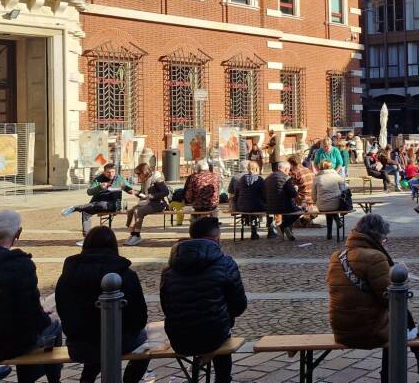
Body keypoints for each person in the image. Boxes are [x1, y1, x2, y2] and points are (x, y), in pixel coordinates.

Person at [327, 215, 419, 383]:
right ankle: (389, 375)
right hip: (365, 332)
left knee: (397, 318)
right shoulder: (375, 257)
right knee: (397, 319)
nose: (383, 241)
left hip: (341, 329)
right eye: (383, 238)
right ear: (377, 236)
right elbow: (389, 300)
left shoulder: (337, 256)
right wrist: (401, 281)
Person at [55, 227, 149, 383]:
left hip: (79, 345)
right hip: (119, 342)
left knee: (97, 341)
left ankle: (87, 379)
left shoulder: (68, 274)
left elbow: (63, 309)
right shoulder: (125, 274)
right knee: (145, 339)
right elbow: (140, 317)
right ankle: (130, 380)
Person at [160, 218, 246, 383]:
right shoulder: (225, 263)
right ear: (216, 239)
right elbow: (239, 306)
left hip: (179, 337)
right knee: (222, 326)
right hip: (214, 335)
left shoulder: (169, 269)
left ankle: (202, 366)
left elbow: (166, 306)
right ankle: (223, 379)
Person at [0, 210, 62, 383]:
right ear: (18, 233)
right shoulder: (19, 265)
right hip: (6, 344)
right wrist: (46, 317)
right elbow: (30, 314)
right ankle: (50, 380)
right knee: (53, 327)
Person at [62, 163, 132, 235]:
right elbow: (89, 192)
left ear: (115, 172)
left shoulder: (119, 179)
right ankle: (87, 237)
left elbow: (130, 190)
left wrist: (132, 191)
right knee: (86, 212)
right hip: (96, 204)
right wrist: (99, 187)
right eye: (108, 172)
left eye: (113, 172)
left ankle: (76, 208)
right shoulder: (98, 179)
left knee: (103, 205)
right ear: (104, 172)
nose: (111, 174)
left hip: (113, 204)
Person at [123, 163, 170, 246]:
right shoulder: (145, 180)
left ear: (144, 172)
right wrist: (132, 191)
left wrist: (152, 196)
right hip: (150, 202)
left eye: (139, 174)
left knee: (138, 211)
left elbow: (165, 192)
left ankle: (137, 236)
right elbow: (143, 194)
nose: (138, 176)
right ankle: (133, 234)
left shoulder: (156, 179)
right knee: (131, 211)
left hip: (159, 203)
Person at [228, 162, 269, 240]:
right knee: (270, 207)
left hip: (242, 207)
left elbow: (235, 195)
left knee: (251, 205)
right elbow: (265, 195)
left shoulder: (241, 179)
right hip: (257, 206)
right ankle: (271, 231)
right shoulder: (259, 179)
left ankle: (254, 231)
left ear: (248, 169)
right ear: (257, 169)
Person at [313, 160, 350, 241]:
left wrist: (316, 201)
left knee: (328, 210)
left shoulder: (317, 178)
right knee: (332, 207)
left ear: (320, 167)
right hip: (337, 204)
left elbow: (314, 194)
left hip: (322, 204)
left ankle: (329, 234)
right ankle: (337, 221)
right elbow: (343, 190)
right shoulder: (337, 176)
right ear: (331, 166)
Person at [264, 161, 301, 241]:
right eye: (289, 170)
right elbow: (293, 194)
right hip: (284, 207)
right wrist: (295, 189)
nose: (289, 172)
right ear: (286, 169)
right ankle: (283, 226)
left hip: (269, 207)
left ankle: (285, 232)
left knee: (288, 210)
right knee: (301, 210)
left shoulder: (268, 177)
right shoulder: (286, 178)